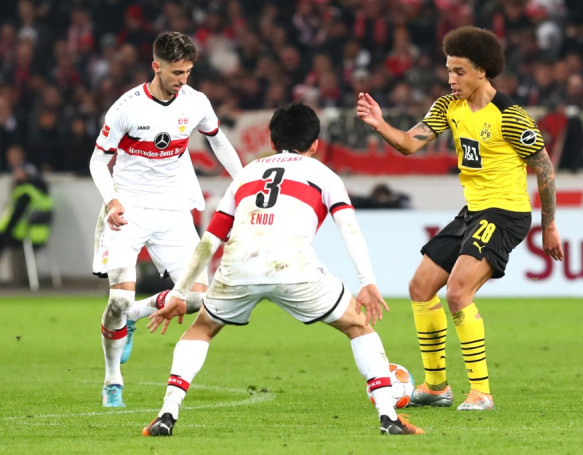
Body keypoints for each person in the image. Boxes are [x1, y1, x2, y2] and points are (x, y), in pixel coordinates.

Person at [141, 103, 423, 437]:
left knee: (201, 329)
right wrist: (367, 282)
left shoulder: (247, 173)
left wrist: (178, 293)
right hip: (294, 266)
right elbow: (349, 229)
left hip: (239, 266)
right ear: (315, 144)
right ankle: (388, 418)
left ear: (272, 142)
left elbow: (210, 239)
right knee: (359, 326)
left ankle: (167, 414)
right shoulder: (324, 175)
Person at [356, 26, 564, 411]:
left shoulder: (510, 117)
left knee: (457, 292)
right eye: (449, 70)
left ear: (482, 71)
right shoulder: (447, 107)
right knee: (420, 287)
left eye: (460, 71)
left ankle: (481, 392)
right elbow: (409, 143)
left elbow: (545, 168)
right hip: (472, 212)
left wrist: (548, 224)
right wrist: (380, 124)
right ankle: (436, 387)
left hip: (505, 213)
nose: (451, 79)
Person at [89, 31, 243, 408]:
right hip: (129, 211)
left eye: (188, 71)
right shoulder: (126, 108)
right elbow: (97, 160)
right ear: (156, 66)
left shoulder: (195, 101)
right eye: (176, 72)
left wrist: (243, 185)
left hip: (174, 211)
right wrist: (112, 201)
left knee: (197, 300)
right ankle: (113, 381)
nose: (183, 80)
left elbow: (218, 141)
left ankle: (139, 313)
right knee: (118, 301)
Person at [0, 144, 52, 284]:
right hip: (41, 233)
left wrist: (6, 230)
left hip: (27, 233)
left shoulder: (26, 192)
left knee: (4, 238)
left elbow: (16, 216)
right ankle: (20, 277)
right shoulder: (38, 192)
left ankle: (18, 279)